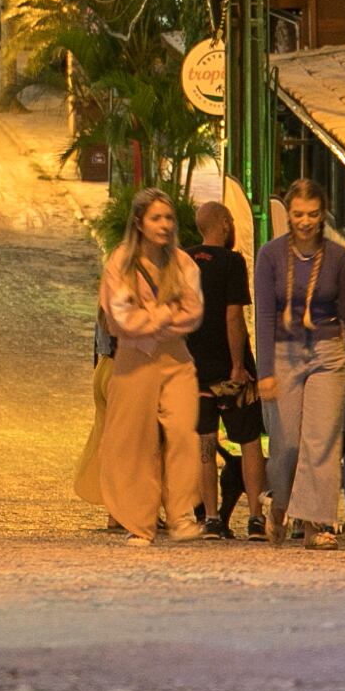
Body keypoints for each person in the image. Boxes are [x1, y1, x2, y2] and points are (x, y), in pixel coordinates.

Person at [253, 178, 345, 548]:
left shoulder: (339, 257)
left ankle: (317, 524)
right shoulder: (270, 255)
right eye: (298, 214)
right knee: (286, 445)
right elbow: (264, 316)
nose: (305, 221)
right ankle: (279, 506)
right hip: (284, 352)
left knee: (322, 442)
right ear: (288, 214)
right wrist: (265, 371)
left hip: (327, 352)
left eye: (313, 214)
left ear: (323, 215)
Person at [93, 187, 206, 543]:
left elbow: (193, 313)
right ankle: (139, 522)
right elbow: (122, 316)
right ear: (140, 223)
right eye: (156, 218)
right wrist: (164, 315)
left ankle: (181, 514)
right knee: (133, 442)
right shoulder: (121, 262)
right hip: (133, 360)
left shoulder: (184, 263)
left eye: (169, 218)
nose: (165, 225)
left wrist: (152, 317)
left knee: (183, 434)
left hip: (175, 359)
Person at [186, 199, 268, 539]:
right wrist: (238, 364)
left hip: (194, 368)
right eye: (230, 221)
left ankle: (211, 518)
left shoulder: (183, 259)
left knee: (206, 441)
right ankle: (256, 517)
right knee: (248, 440)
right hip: (228, 369)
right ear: (222, 224)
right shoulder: (233, 262)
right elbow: (233, 316)